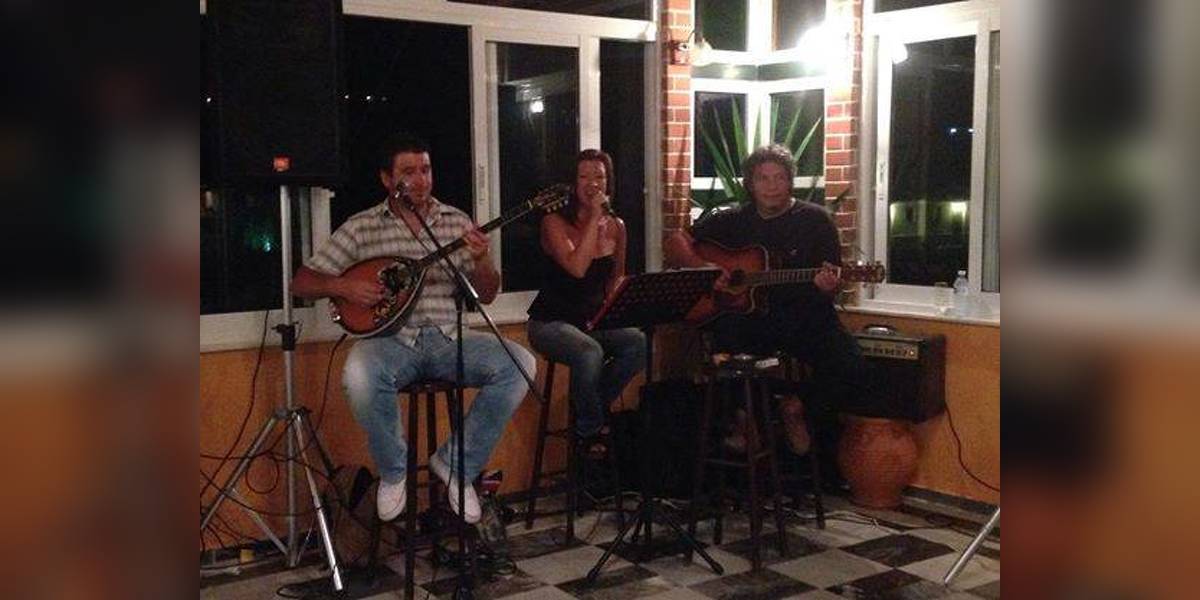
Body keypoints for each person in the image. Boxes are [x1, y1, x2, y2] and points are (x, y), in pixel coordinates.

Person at [292, 133, 537, 524]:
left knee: (520, 364)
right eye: (409, 172)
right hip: (390, 342)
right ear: (387, 179)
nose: (421, 180)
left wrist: (483, 259)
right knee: (358, 374)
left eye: (426, 169)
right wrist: (343, 286)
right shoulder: (361, 227)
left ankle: (456, 463)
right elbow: (302, 282)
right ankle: (394, 472)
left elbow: (488, 295)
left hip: (450, 338)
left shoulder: (456, 222)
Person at [665, 143, 874, 459]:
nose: (772, 186)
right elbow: (675, 242)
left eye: (779, 178)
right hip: (752, 322)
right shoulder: (733, 220)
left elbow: (831, 286)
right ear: (750, 184)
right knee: (725, 347)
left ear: (790, 181)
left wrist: (827, 285)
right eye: (763, 178)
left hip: (805, 318)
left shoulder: (815, 220)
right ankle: (745, 421)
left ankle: (797, 406)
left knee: (852, 364)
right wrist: (704, 267)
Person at [526, 149, 646, 452]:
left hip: (590, 320)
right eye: (584, 177)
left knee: (638, 343)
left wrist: (614, 312)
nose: (592, 184)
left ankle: (588, 406)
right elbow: (578, 269)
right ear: (573, 183)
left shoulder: (617, 226)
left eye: (599, 177)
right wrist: (593, 219)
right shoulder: (554, 222)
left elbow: (615, 279)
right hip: (550, 321)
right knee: (589, 353)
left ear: (609, 183)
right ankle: (590, 431)